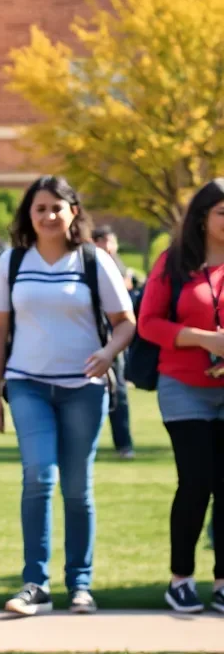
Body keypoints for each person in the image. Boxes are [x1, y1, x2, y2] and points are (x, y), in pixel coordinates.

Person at [0, 176, 135, 616]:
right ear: (28, 216)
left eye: (57, 207)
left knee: (76, 487)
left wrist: (109, 352)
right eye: (40, 209)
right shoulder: (12, 262)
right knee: (38, 476)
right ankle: (35, 583)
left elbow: (126, 322)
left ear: (73, 212)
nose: (49, 216)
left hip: (84, 390)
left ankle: (80, 585)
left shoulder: (94, 261)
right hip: (27, 385)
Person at [138, 178, 224, 614]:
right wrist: (203, 339)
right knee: (196, 482)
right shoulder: (173, 263)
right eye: (223, 213)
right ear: (203, 218)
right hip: (184, 388)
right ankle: (181, 579)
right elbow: (148, 323)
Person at [91, 226, 135, 460]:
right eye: (105, 242)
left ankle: (124, 444)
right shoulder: (87, 263)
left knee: (117, 391)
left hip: (113, 338)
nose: (110, 247)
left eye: (112, 242)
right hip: (89, 337)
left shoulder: (116, 265)